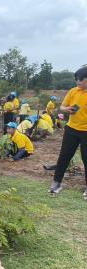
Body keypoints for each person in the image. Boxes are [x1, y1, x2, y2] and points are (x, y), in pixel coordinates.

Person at [49, 65, 87, 196]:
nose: (78, 82)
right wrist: (67, 110)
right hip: (71, 129)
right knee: (64, 156)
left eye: (80, 80)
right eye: (76, 80)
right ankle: (56, 182)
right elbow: (62, 107)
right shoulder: (73, 91)